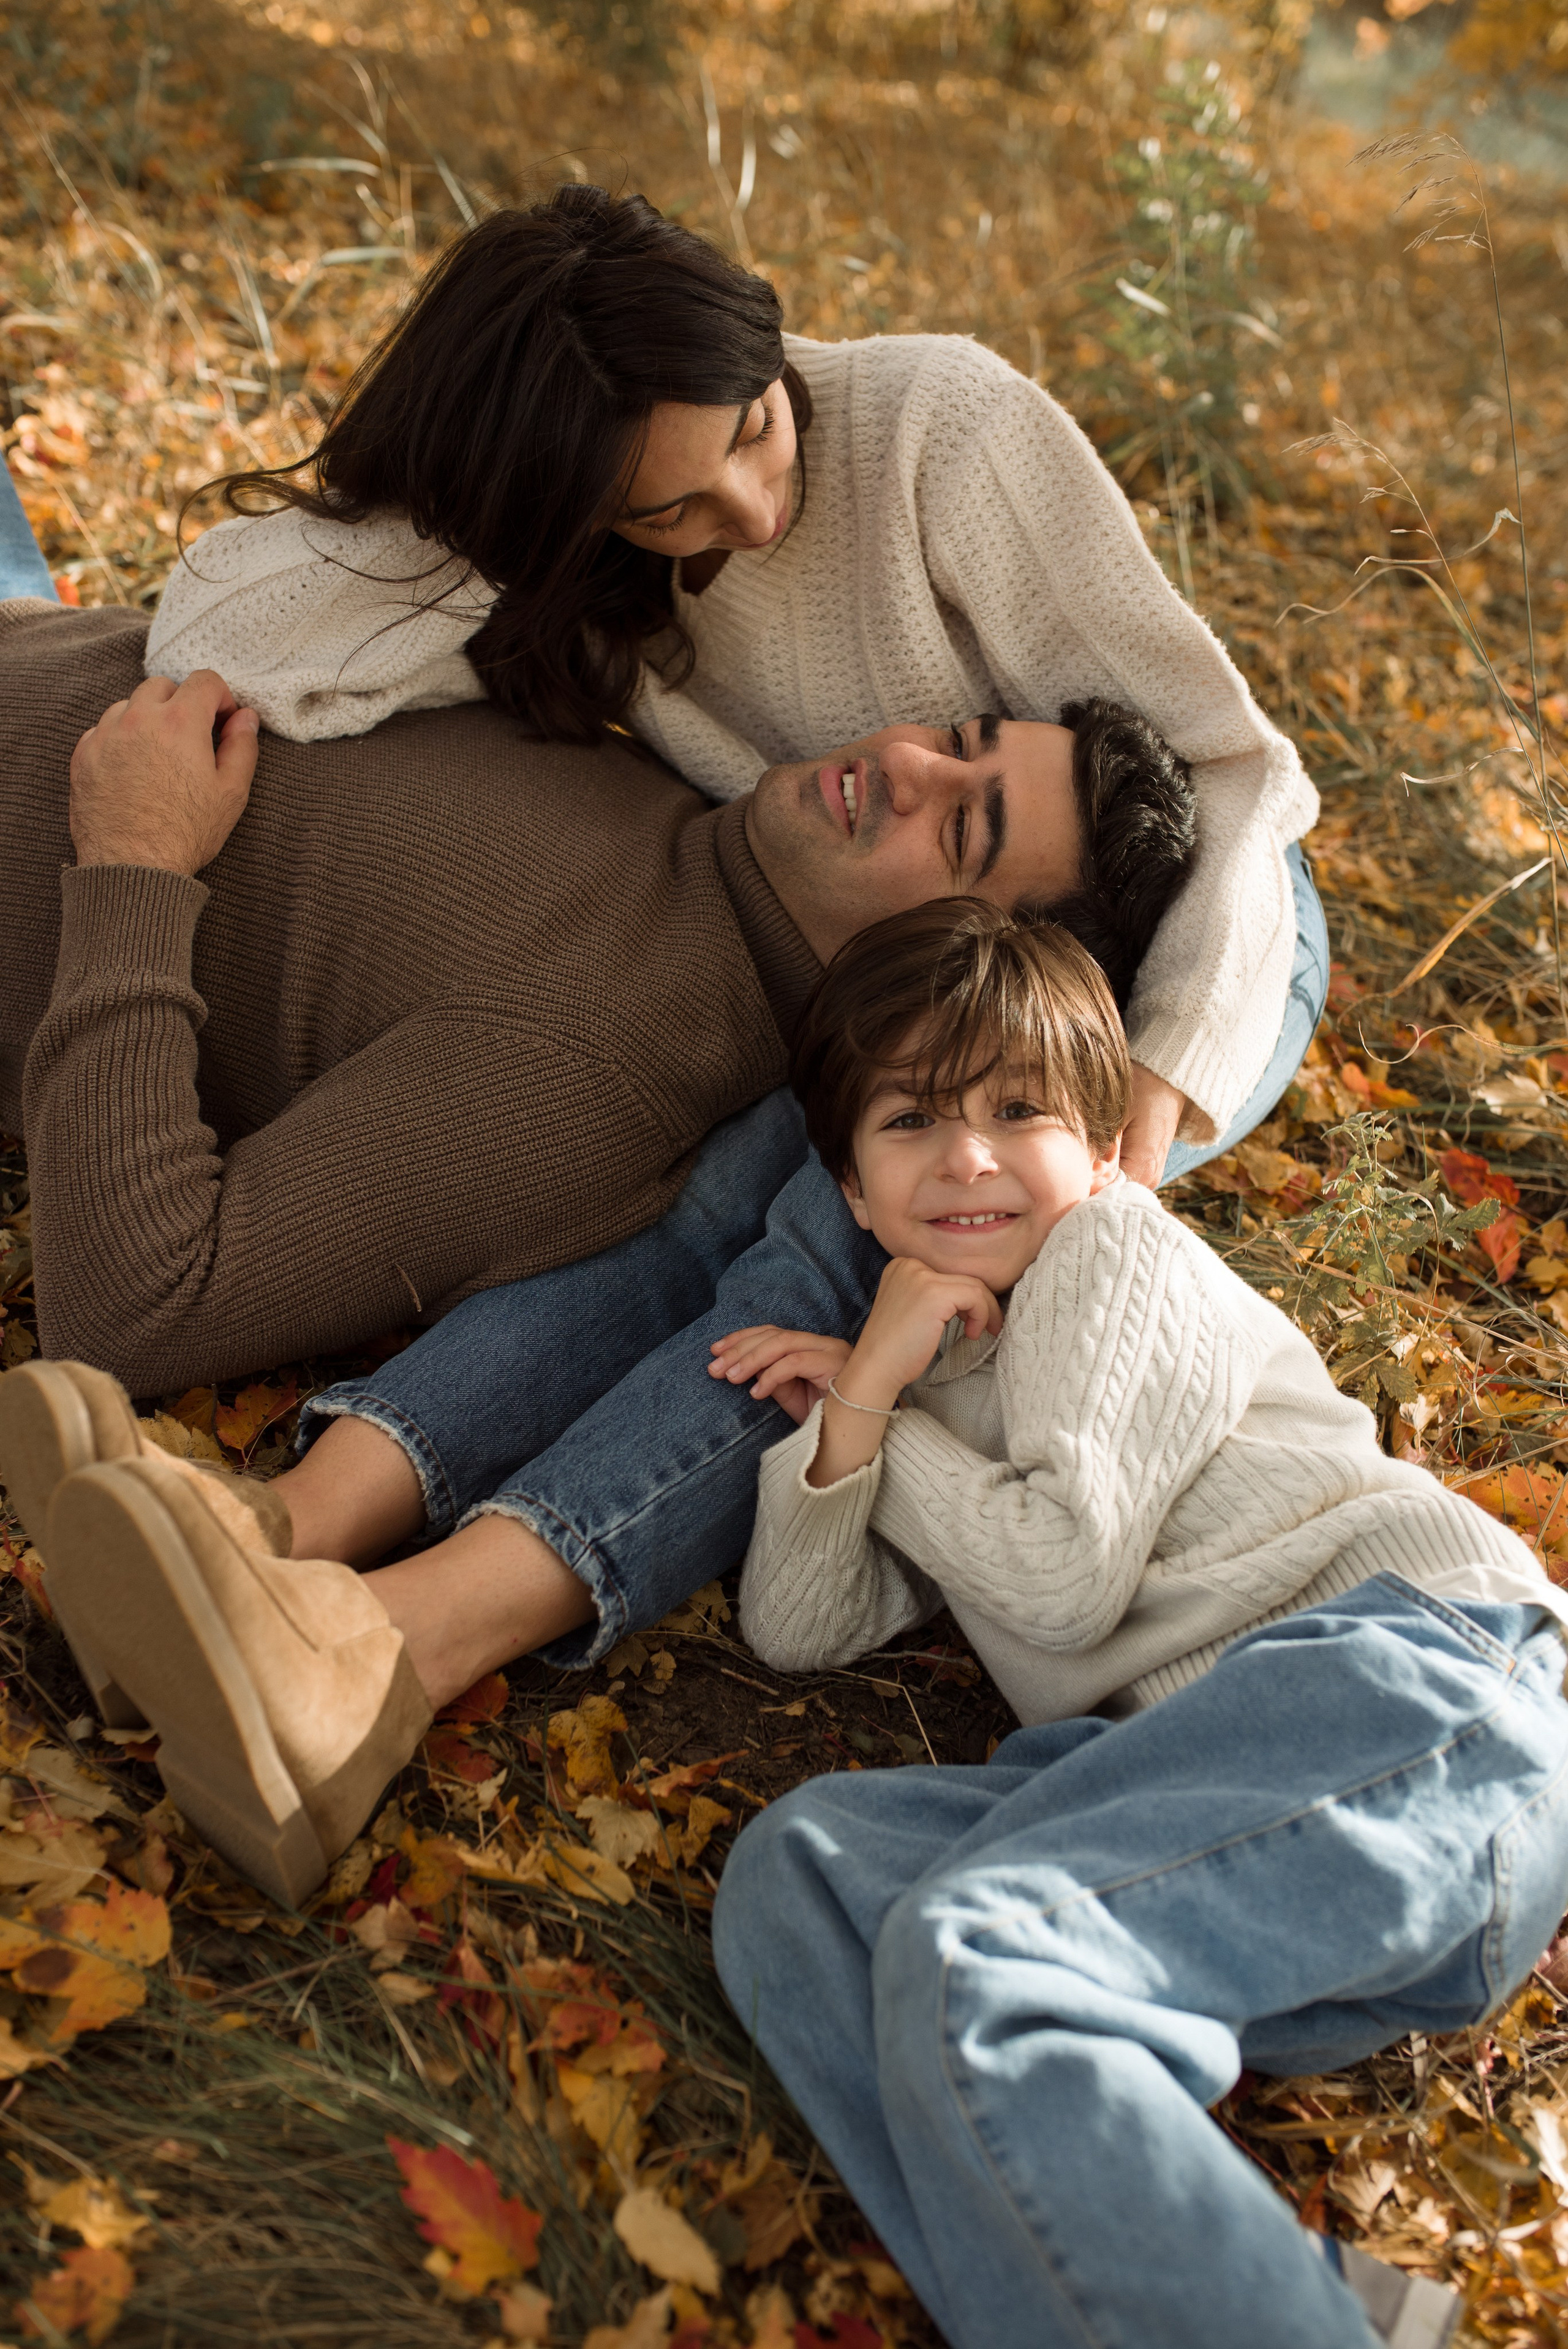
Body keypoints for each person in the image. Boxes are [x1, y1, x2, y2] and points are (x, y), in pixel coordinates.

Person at [709, 897, 1568, 2349]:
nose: (967, 1156)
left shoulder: (1108, 1255)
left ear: (1102, 1150)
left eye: (1017, 1110)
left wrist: (878, 1411)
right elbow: (801, 1626)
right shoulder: (934, 1384)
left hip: (1415, 1694)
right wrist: (862, 1404)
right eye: (912, 1119)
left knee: (980, 1953)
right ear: (851, 1186)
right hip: (1208, 1818)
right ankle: (1259, 2301)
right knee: (804, 1882)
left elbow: (1058, 1574)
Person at [141, 183, 1321, 1193]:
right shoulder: (569, 572)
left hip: (1207, 882)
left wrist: (1168, 1057)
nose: (754, 516)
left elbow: (1230, 766)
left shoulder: (939, 429)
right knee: (740, 1186)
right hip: (906, 945)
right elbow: (220, 647)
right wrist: (485, 519)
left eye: (755, 428)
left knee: (893, 1204)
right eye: (671, 507)